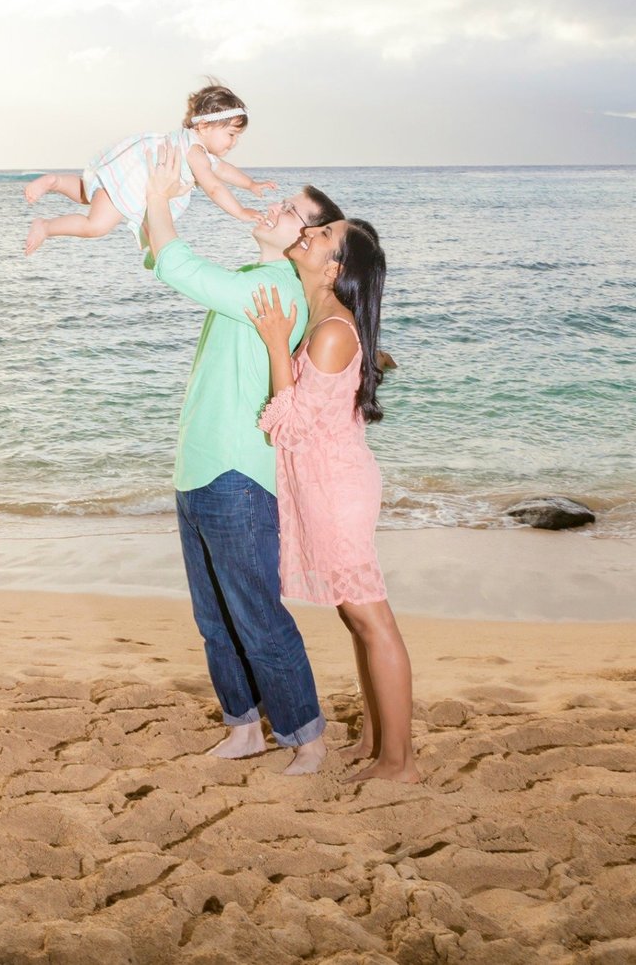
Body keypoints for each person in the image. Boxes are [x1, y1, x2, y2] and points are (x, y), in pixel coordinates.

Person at [145, 144, 344, 774]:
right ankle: (243, 726)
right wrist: (147, 206)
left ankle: (306, 737)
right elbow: (161, 255)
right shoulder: (248, 279)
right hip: (200, 467)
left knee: (255, 612)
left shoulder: (273, 287)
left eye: (291, 211)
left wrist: (158, 196)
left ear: (303, 240)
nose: (274, 209)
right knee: (214, 617)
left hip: (236, 475)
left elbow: (176, 266)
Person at [245, 217, 418, 783]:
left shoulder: (333, 330)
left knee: (373, 620)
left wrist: (275, 344)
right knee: (357, 619)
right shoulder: (325, 317)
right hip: (325, 484)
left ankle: (400, 762)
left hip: (336, 489)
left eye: (322, 236)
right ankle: (376, 741)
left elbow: (289, 426)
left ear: (335, 267)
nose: (310, 233)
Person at [24, 83, 277, 256]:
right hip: (134, 183)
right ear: (205, 126)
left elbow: (224, 170)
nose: (234, 142)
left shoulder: (195, 147)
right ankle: (46, 227)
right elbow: (214, 186)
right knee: (96, 226)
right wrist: (240, 211)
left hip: (127, 175)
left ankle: (54, 181)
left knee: (87, 194)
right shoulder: (195, 152)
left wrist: (250, 184)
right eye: (231, 134)